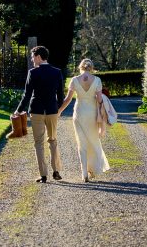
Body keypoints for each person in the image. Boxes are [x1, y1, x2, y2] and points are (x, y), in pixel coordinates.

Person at [13, 45, 65, 183]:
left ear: (38, 56)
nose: (32, 59)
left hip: (36, 111)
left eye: (32, 57)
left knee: (39, 143)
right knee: (52, 140)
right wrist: (57, 109)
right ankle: (56, 171)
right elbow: (61, 96)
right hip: (52, 111)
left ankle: (43, 175)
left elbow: (27, 95)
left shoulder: (33, 72)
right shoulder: (57, 72)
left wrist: (18, 110)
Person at [57, 58, 111, 183]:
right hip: (92, 113)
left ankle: (84, 173)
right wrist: (103, 114)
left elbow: (68, 99)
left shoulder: (74, 80)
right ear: (91, 68)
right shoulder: (97, 80)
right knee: (93, 140)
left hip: (79, 113)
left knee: (81, 143)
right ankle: (93, 168)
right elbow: (99, 100)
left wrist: (59, 111)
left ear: (80, 67)